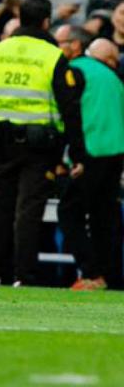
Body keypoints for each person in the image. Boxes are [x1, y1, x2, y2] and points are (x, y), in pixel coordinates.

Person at [0, 0, 84, 286]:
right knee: (28, 211)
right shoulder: (53, 56)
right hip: (40, 146)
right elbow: (69, 108)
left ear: (20, 18)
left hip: (2, 142)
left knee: (1, 209)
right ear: (47, 21)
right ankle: (24, 275)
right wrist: (77, 152)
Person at [59, 38, 124, 290]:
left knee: (69, 211)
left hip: (90, 150)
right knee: (104, 216)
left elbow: (70, 113)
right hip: (115, 153)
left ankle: (91, 272)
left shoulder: (77, 70)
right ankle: (110, 276)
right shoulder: (115, 80)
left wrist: (72, 156)